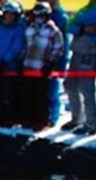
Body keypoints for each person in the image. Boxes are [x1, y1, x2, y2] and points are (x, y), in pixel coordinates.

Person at [61, 0, 96, 135]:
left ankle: (91, 123)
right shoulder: (87, 7)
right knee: (70, 85)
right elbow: (70, 25)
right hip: (77, 51)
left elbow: (93, 25)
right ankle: (76, 118)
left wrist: (79, 24)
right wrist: (83, 27)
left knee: (86, 88)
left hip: (90, 53)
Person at [20, 1, 64, 132]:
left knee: (41, 96)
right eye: (37, 14)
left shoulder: (52, 30)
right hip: (29, 66)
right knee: (28, 94)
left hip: (42, 67)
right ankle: (29, 119)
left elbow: (58, 47)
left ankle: (42, 120)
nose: (39, 17)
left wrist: (50, 63)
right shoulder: (30, 27)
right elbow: (25, 45)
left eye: (42, 15)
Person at [0, 1, 25, 126]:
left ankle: (10, 118)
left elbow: (16, 47)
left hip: (9, 68)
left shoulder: (18, 30)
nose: (9, 17)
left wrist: (5, 60)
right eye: (7, 14)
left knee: (9, 94)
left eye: (12, 14)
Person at [46, 0, 69, 126]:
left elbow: (63, 42)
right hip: (40, 58)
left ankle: (53, 116)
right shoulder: (42, 13)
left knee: (53, 89)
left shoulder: (60, 17)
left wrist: (61, 62)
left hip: (54, 59)